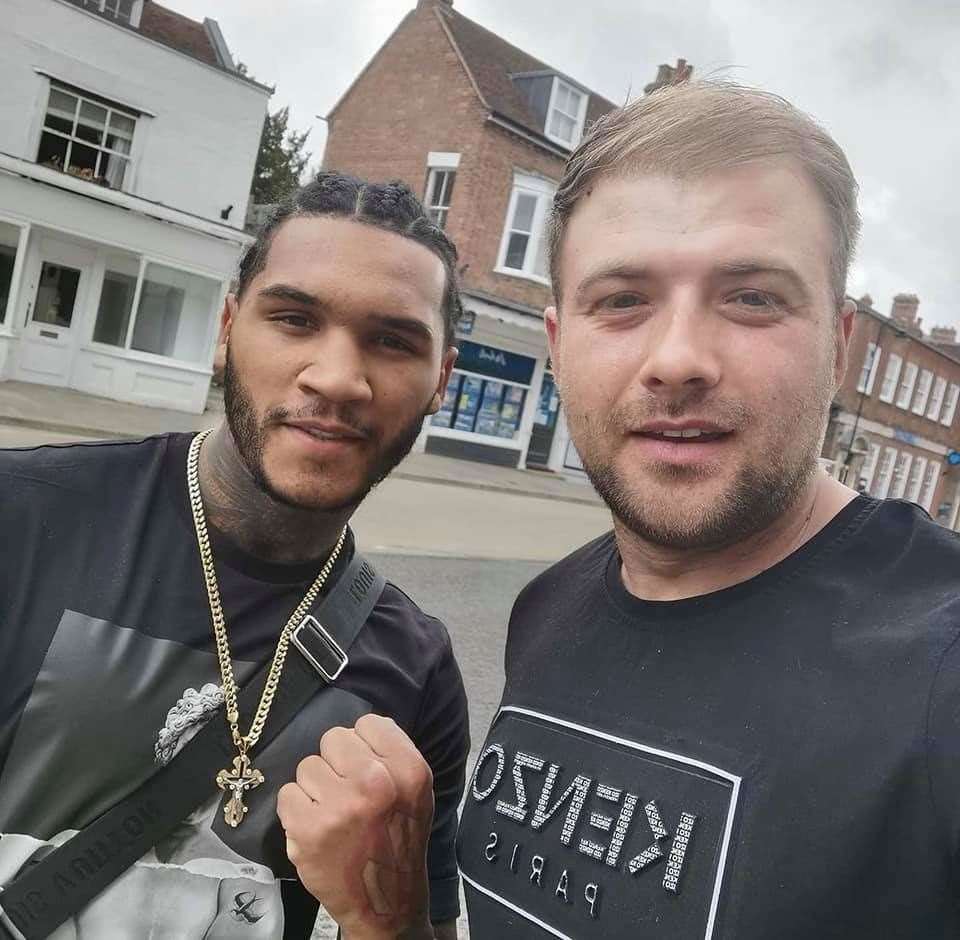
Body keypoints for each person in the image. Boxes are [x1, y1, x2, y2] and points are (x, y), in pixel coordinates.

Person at [451, 81, 960, 938]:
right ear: (557, 345)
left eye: (753, 296)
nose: (678, 359)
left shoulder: (939, 665)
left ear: (838, 349)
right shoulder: (547, 606)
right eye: (621, 300)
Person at [0, 172, 469, 940]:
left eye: (392, 341)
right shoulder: (23, 521)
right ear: (226, 328)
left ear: (441, 379)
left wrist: (392, 914)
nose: (337, 378)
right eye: (293, 319)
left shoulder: (418, 670)